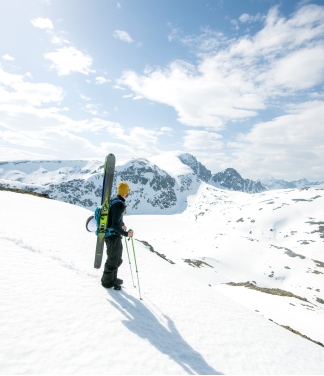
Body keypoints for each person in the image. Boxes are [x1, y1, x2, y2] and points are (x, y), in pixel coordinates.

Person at [101, 181, 133, 290]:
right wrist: (126, 233)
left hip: (113, 235)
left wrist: (122, 224)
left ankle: (112, 278)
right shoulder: (119, 204)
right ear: (125, 192)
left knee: (117, 259)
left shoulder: (115, 201)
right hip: (112, 236)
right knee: (113, 259)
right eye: (128, 191)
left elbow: (114, 219)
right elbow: (114, 224)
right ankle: (107, 282)